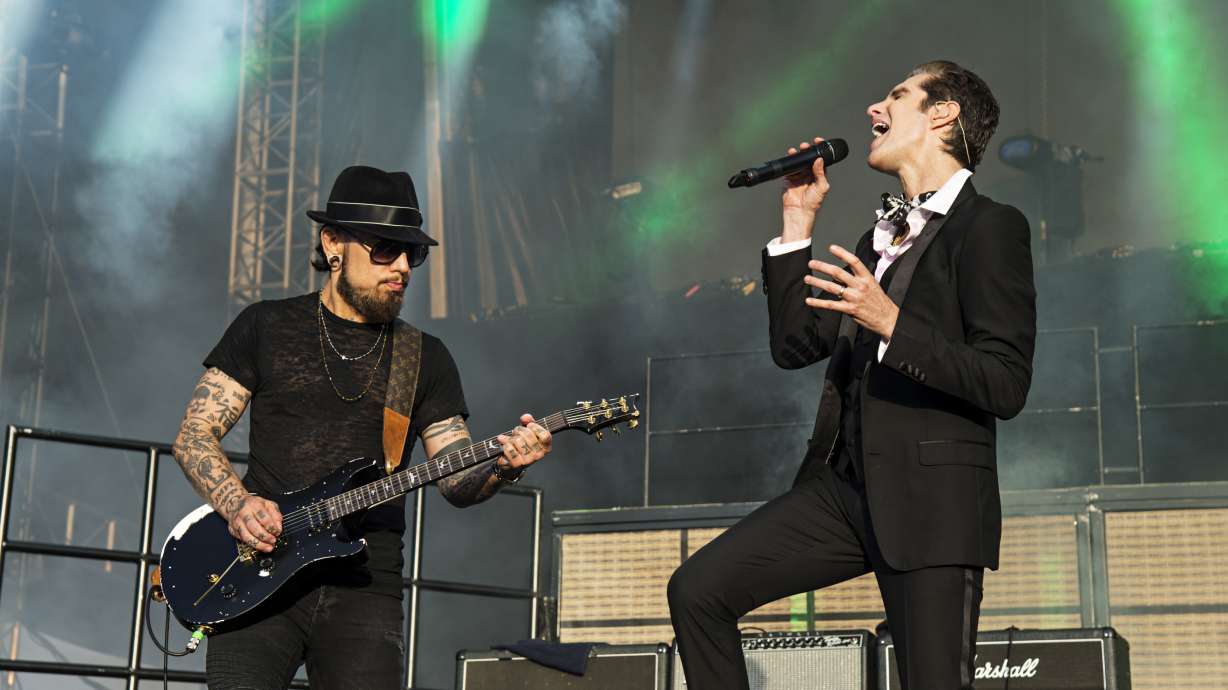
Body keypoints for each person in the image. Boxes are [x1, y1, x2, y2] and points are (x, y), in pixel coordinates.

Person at [667, 60, 1036, 689]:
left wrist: (891, 322)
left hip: (932, 503)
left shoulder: (991, 226)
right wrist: (796, 223)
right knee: (698, 590)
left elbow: (1005, 382)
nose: (874, 108)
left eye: (897, 96)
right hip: (844, 490)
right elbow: (795, 347)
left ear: (942, 113)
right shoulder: (877, 239)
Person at [170, 165, 553, 689]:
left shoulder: (425, 357)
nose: (401, 268)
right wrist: (237, 505)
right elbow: (193, 434)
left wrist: (502, 468)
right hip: (259, 568)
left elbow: (454, 480)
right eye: (382, 249)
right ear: (333, 243)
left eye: (411, 254)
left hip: (365, 585)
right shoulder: (266, 326)